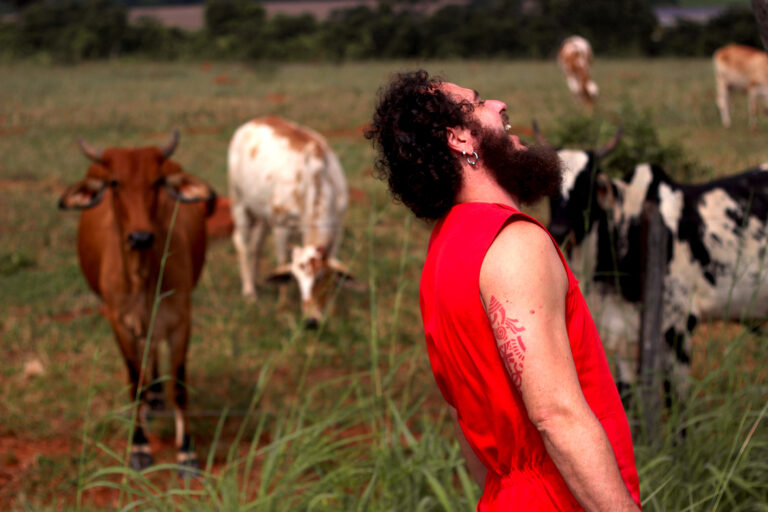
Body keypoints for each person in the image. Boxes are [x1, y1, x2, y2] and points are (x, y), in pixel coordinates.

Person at [365, 70, 642, 511]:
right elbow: (556, 415)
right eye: (477, 103)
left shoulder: (443, 252)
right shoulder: (513, 243)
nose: (498, 105)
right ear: (458, 139)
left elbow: (465, 420)